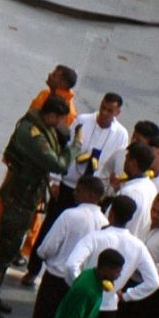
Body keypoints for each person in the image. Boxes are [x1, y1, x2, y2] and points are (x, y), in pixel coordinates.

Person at [0, 95, 72, 318]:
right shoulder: (32, 134)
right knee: (3, 251)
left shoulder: (41, 128)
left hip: (26, 198)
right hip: (19, 198)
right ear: (51, 116)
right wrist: (72, 148)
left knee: (9, 250)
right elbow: (58, 164)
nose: (60, 125)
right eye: (59, 119)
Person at [0, 65, 77, 259]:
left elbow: (57, 148)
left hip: (36, 169)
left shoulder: (66, 112)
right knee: (6, 198)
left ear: (61, 82)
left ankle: (24, 247)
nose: (49, 76)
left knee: (31, 211)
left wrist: (53, 180)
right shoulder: (44, 95)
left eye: (54, 75)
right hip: (20, 162)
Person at [10, 177, 106, 318]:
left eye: (79, 190)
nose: (75, 193)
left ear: (89, 194)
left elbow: (47, 247)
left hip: (56, 278)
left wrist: (46, 257)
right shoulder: (104, 222)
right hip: (81, 282)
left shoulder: (70, 215)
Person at [25, 91, 126, 284]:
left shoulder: (121, 135)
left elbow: (115, 164)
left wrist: (110, 190)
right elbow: (65, 149)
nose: (104, 113)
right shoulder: (83, 120)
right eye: (103, 107)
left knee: (86, 234)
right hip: (70, 184)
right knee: (51, 225)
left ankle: (72, 272)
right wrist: (55, 180)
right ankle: (33, 269)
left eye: (110, 110)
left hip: (96, 192)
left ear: (117, 113)